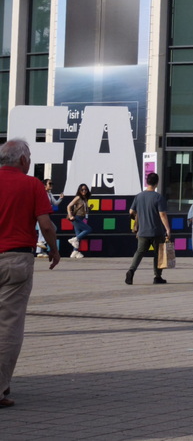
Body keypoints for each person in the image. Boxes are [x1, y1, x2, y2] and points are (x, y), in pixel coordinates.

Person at [0, 139, 60, 408]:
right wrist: (54, 250)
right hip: (16, 259)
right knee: (9, 325)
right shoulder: (32, 184)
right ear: (23, 160)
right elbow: (46, 225)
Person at [125, 171, 171, 286]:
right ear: (157, 183)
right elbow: (162, 215)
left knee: (139, 252)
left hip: (142, 231)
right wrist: (168, 229)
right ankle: (157, 276)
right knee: (158, 254)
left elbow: (131, 211)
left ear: (147, 182)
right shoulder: (158, 197)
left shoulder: (139, 196)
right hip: (156, 231)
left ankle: (131, 270)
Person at [66, 184, 93, 260]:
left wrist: (89, 208)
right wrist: (70, 215)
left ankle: (75, 252)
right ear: (79, 190)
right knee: (88, 229)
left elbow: (82, 209)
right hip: (76, 218)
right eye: (82, 190)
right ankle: (74, 239)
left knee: (78, 235)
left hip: (81, 218)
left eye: (85, 190)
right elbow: (68, 206)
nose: (84, 191)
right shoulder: (78, 197)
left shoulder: (85, 198)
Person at [34, 180, 60, 258]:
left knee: (53, 229)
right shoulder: (41, 193)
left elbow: (55, 203)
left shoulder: (49, 194)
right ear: (44, 185)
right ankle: (40, 247)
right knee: (43, 231)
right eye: (50, 184)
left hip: (46, 215)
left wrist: (61, 198)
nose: (51, 185)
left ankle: (39, 251)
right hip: (40, 215)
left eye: (52, 183)